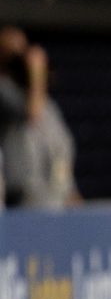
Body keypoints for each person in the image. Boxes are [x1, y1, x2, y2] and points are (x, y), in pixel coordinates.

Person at [0, 28, 76, 209]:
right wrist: (36, 72)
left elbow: (60, 149)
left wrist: (71, 192)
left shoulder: (48, 105)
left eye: (23, 51)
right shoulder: (4, 92)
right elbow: (32, 113)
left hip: (55, 198)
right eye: (14, 54)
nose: (21, 59)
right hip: (23, 202)